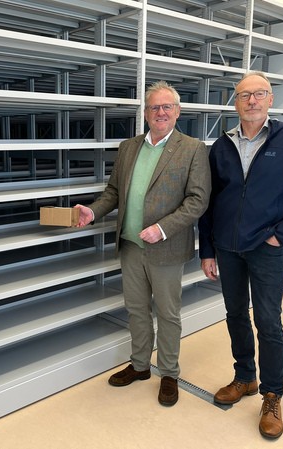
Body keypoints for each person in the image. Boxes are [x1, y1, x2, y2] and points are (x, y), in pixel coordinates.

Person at [198, 71, 283, 438]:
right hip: (227, 248)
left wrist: (280, 236)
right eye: (243, 95)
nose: (251, 100)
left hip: (266, 249)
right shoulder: (221, 146)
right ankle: (244, 378)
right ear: (235, 103)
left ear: (270, 99)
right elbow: (210, 204)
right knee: (235, 313)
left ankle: (272, 395)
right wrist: (208, 249)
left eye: (259, 94)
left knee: (268, 322)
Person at [74, 80, 211, 406]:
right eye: (154, 107)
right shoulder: (128, 147)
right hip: (131, 244)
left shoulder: (192, 149)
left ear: (177, 112)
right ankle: (139, 366)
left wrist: (162, 229)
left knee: (167, 313)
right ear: (146, 113)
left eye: (167, 107)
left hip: (166, 247)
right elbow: (113, 193)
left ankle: (169, 373)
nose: (160, 112)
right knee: (136, 309)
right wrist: (91, 213)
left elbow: (198, 200)